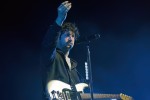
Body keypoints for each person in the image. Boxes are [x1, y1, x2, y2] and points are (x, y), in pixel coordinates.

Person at [41, 1, 86, 100]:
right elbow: (48, 44)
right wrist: (59, 19)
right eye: (67, 35)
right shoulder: (52, 57)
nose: (71, 38)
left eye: (73, 36)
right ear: (58, 38)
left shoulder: (75, 69)